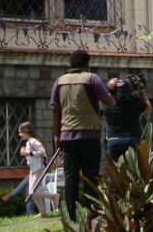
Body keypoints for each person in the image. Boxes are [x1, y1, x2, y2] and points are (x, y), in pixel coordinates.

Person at [50, 49, 115, 220]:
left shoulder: (59, 81)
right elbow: (108, 101)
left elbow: (55, 111)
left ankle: (71, 213)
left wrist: (56, 135)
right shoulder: (92, 78)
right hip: (89, 135)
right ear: (87, 64)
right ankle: (92, 211)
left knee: (71, 176)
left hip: (66, 135)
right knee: (90, 175)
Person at [103, 76, 152, 161]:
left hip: (113, 140)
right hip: (132, 139)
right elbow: (148, 109)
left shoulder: (107, 104)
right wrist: (143, 94)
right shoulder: (134, 102)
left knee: (115, 171)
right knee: (132, 171)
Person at [16, 122, 59, 217]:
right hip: (33, 169)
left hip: (39, 168)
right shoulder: (28, 142)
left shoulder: (33, 141)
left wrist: (28, 153)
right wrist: (25, 152)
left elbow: (42, 152)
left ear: (26, 131)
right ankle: (43, 212)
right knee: (32, 192)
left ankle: (54, 196)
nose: (19, 135)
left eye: (21, 132)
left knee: (32, 191)